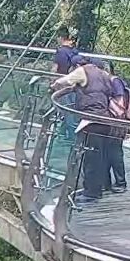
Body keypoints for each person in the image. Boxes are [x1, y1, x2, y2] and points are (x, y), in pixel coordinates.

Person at [50, 55, 117, 203]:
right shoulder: (104, 74)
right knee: (100, 156)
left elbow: (63, 81)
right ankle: (101, 186)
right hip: (105, 119)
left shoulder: (82, 71)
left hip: (90, 119)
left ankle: (91, 192)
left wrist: (54, 87)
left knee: (90, 157)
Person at [104, 61, 130, 192]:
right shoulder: (113, 82)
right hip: (112, 122)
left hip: (116, 123)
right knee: (108, 152)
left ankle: (120, 182)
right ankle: (107, 182)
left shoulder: (115, 82)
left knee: (115, 152)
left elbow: (119, 105)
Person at [54, 30, 80, 138]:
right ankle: (62, 132)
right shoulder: (75, 52)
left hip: (62, 83)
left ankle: (72, 137)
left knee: (64, 109)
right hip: (73, 84)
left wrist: (52, 82)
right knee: (70, 108)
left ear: (61, 37)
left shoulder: (60, 52)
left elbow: (55, 68)